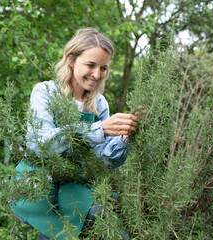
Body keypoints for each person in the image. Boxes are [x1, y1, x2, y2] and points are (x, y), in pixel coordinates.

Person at [10, 28, 138, 239]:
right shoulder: (45, 92)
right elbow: (40, 144)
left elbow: (101, 161)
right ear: (71, 60)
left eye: (103, 68)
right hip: (39, 183)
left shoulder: (98, 104)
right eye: (90, 65)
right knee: (74, 224)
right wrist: (99, 130)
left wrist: (125, 138)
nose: (97, 74)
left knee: (96, 219)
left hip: (73, 184)